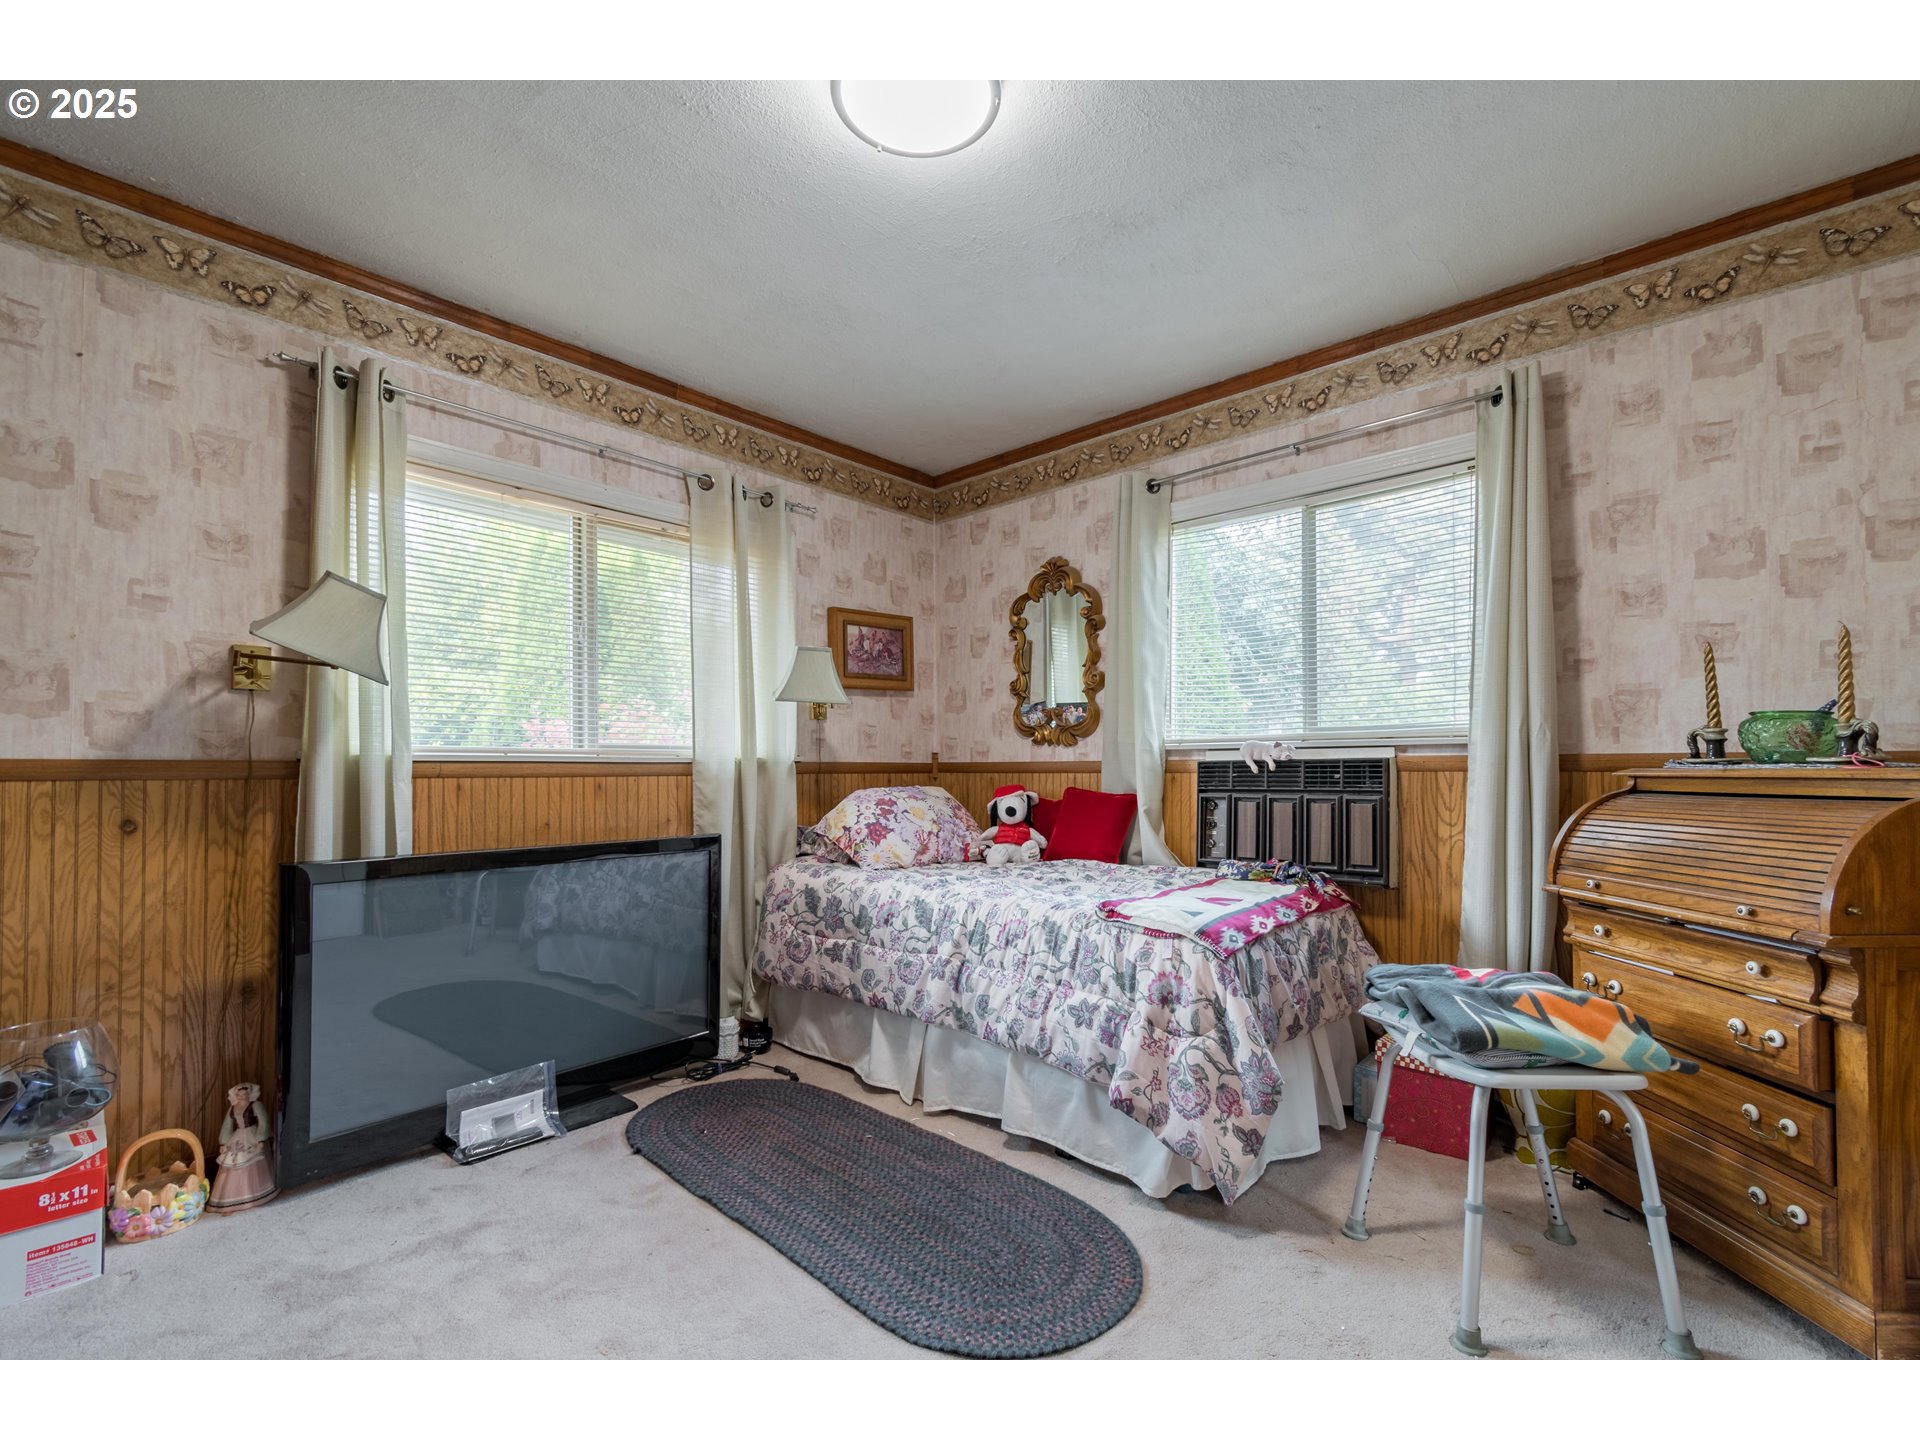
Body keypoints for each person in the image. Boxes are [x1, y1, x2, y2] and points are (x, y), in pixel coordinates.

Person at [209, 1081, 277, 1212]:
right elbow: (227, 1125)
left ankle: (257, 1189)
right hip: (238, 1134)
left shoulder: (255, 1105)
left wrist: (261, 1137)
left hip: (252, 1133)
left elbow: (263, 1121)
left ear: (249, 1094)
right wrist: (223, 1142)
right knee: (233, 1159)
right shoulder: (233, 1108)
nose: (242, 1097)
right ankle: (233, 1195)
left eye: (244, 1094)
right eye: (239, 1095)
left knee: (252, 1160)